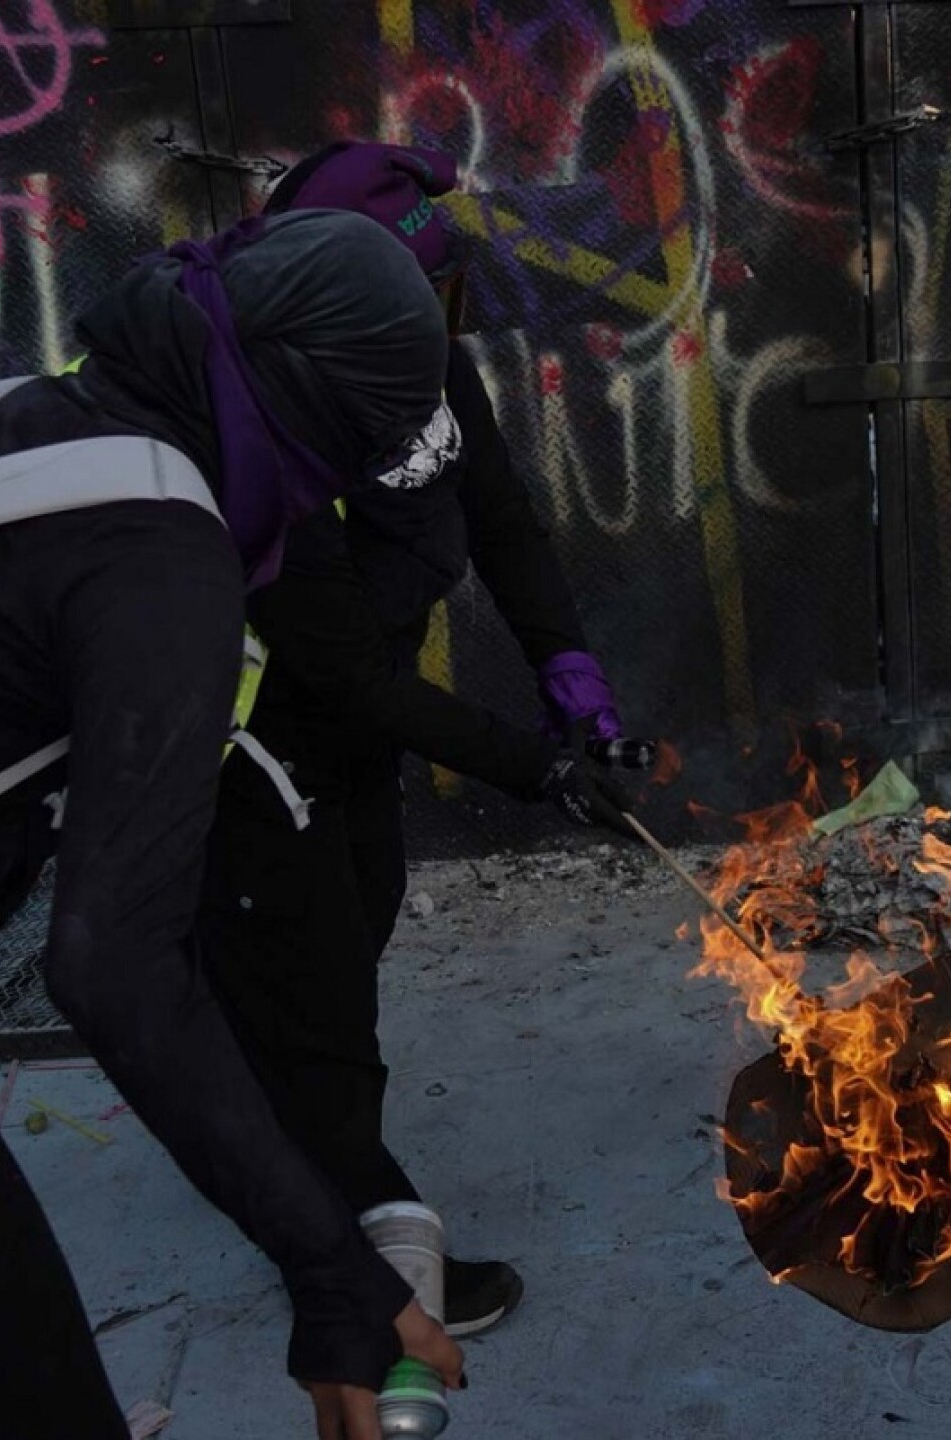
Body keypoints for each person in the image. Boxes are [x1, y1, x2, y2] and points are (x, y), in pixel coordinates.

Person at [0, 210, 466, 1440]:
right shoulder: (162, 550)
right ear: (314, 424)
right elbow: (114, 962)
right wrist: (330, 1271)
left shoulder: (28, 423)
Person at [194, 141, 639, 1338]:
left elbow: (498, 516)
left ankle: (274, 1132)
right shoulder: (263, 420)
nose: (432, 330)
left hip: (352, 728)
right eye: (410, 297)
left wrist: (569, 671)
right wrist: (537, 768)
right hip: (242, 749)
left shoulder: (423, 368)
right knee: (313, 995)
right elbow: (332, 667)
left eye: (444, 301)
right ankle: (359, 1261)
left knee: (359, 924)